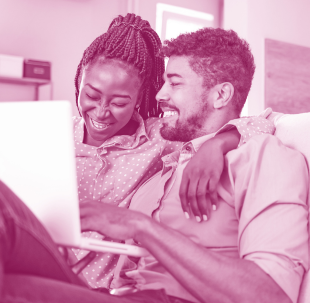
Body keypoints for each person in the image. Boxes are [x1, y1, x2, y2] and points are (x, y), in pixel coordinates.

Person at [0, 26, 307, 303]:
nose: (159, 95)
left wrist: (139, 225)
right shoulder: (168, 164)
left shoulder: (264, 156)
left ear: (221, 95)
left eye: (174, 83)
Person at [70, 13, 274, 288]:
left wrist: (219, 143)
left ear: (139, 98)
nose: (102, 112)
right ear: (78, 83)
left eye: (119, 102)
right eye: (92, 96)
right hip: (47, 264)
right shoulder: (54, 136)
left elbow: (265, 123)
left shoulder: (160, 137)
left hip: (100, 287)